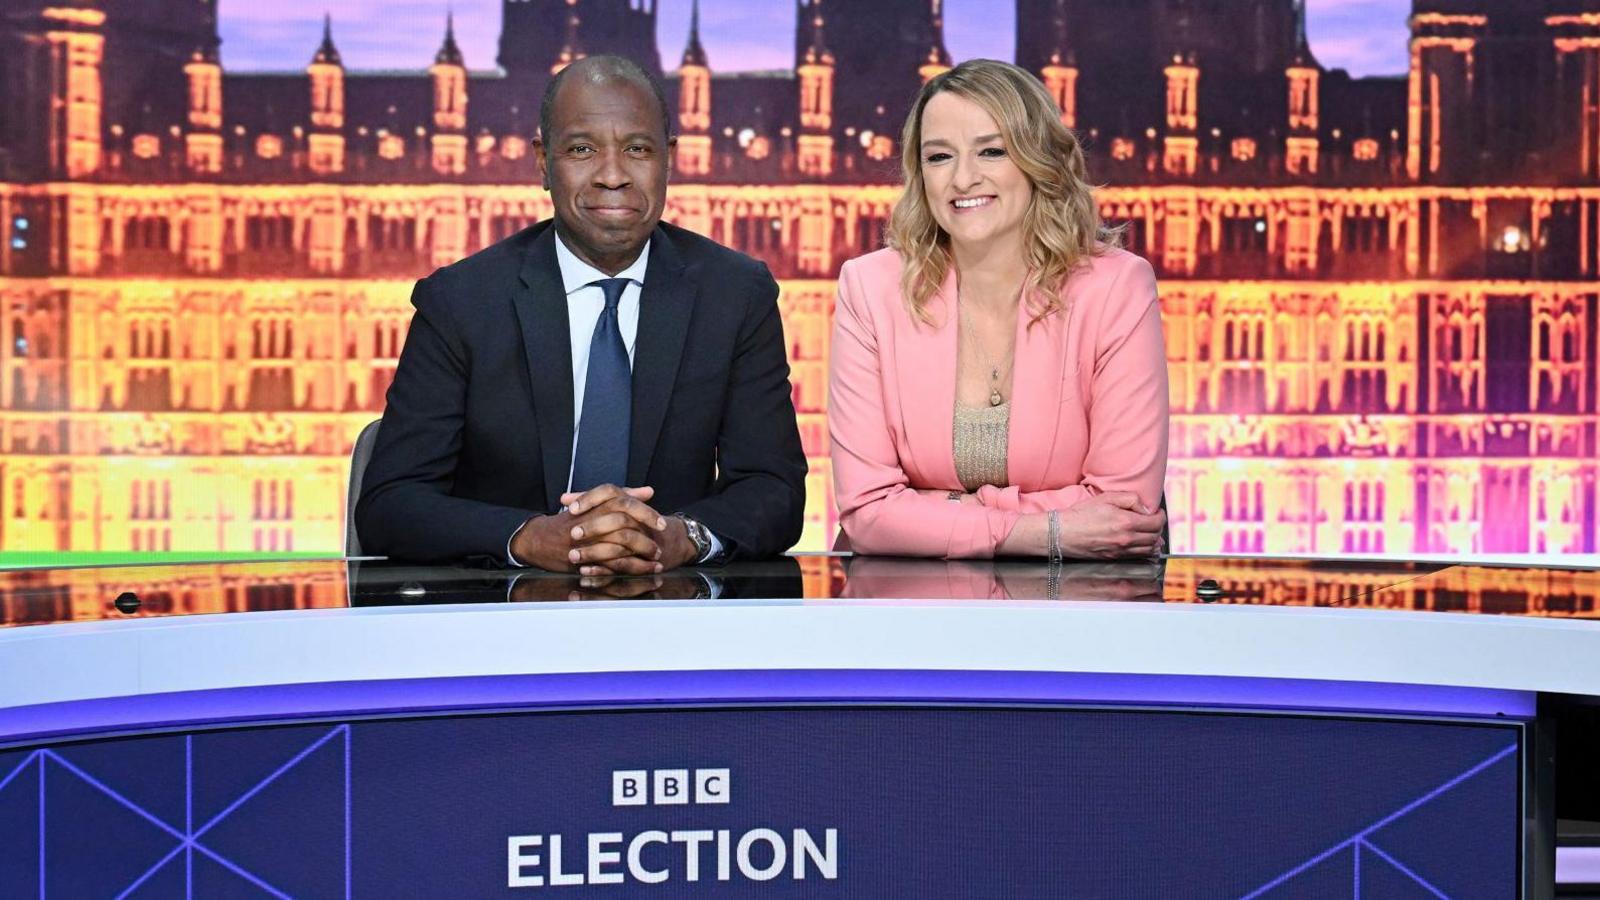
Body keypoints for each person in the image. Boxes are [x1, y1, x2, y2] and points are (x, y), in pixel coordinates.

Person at [356, 55, 806, 570]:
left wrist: (681, 538)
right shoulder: (460, 302)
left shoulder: (736, 295)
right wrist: (525, 538)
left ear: (669, 160)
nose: (612, 176)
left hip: (677, 619)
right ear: (543, 162)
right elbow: (391, 504)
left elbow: (776, 491)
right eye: (582, 150)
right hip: (498, 621)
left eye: (637, 150)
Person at [828, 59, 1168, 560]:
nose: (963, 178)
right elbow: (868, 513)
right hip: (909, 609)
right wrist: (1047, 530)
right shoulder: (870, 288)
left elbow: (1122, 509)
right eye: (939, 157)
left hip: (1082, 608)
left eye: (991, 151)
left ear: (1038, 161)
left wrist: (931, 511)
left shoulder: (1117, 287)